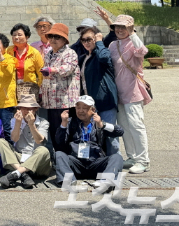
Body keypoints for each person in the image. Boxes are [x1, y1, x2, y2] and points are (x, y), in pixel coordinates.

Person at [108, 14, 151, 174]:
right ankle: (132, 157)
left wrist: (133, 34)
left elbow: (142, 50)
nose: (119, 29)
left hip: (133, 91)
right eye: (117, 26)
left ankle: (143, 160)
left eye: (123, 27)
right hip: (118, 92)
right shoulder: (113, 45)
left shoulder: (134, 43)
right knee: (124, 127)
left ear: (130, 28)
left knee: (136, 125)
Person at [54, 96, 124, 187]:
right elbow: (59, 142)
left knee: (117, 157)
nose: (81, 111)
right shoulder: (70, 122)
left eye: (85, 108)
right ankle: (68, 180)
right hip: (76, 163)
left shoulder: (98, 123)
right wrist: (63, 123)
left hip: (96, 162)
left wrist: (102, 125)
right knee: (59, 154)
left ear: (93, 110)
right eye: (78, 108)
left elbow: (120, 131)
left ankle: (106, 181)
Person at [0, 94, 52, 189]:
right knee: (0, 142)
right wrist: (18, 123)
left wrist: (31, 124)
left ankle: (17, 173)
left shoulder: (44, 122)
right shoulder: (15, 120)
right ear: (20, 109)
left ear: (35, 109)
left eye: (29, 108)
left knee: (43, 150)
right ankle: (22, 174)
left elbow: (39, 140)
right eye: (24, 108)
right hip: (19, 159)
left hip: (37, 162)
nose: (26, 111)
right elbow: (14, 139)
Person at [78, 26, 119, 155]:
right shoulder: (83, 58)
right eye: (83, 40)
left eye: (89, 39)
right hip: (90, 105)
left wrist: (100, 42)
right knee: (92, 135)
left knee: (110, 135)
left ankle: (115, 162)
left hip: (105, 101)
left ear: (96, 38)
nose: (86, 42)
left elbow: (104, 58)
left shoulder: (102, 52)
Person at [40, 23, 80, 153]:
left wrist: (52, 69)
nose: (52, 39)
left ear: (64, 40)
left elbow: (67, 69)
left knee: (66, 133)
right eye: (50, 36)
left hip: (65, 102)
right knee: (54, 132)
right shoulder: (48, 53)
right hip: (50, 102)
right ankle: (58, 158)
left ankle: (68, 159)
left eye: (57, 37)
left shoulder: (70, 53)